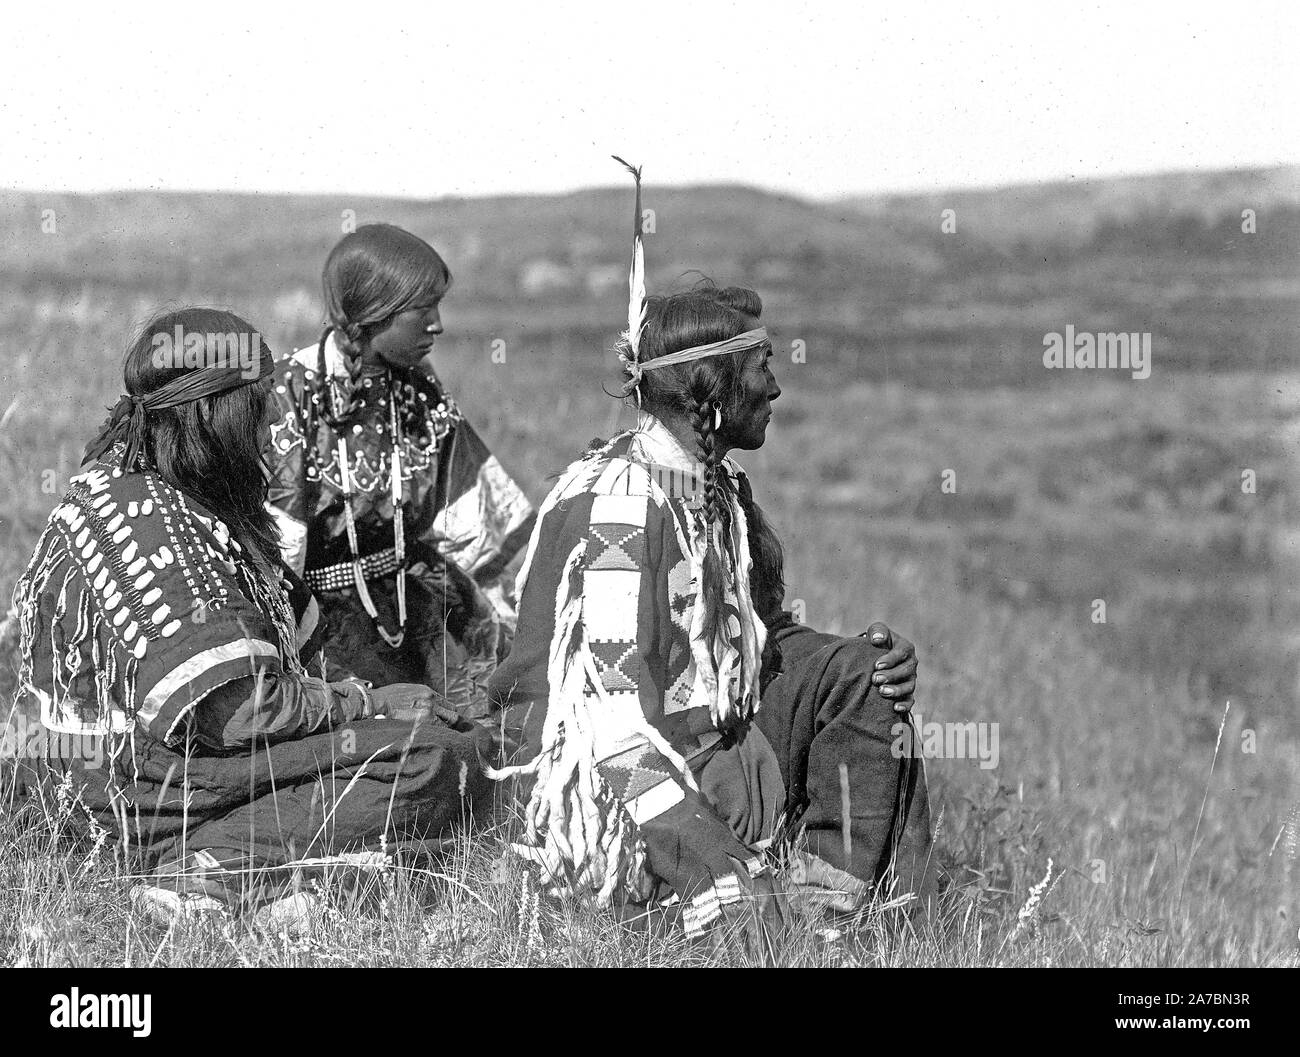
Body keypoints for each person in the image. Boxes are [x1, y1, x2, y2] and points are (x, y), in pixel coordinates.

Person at [488, 166, 932, 947]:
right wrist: (711, 862)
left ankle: (836, 912)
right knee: (737, 913)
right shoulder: (622, 506)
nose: (777, 389)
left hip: (715, 742)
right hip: (625, 786)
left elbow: (745, 639)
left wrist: (862, 662)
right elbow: (607, 725)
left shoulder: (714, 486)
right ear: (711, 386)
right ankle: (761, 909)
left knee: (865, 680)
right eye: (761, 368)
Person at [7, 308, 492, 924]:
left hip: (119, 775)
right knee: (428, 762)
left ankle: (266, 868)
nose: (272, 430)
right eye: (258, 406)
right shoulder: (155, 526)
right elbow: (240, 715)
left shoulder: (175, 496)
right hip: (133, 788)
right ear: (211, 412)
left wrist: (395, 690)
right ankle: (207, 869)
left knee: (442, 741)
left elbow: (308, 632)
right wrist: (369, 709)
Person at [264, 224, 534, 717]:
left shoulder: (417, 387)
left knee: (478, 731)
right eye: (422, 308)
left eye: (439, 305)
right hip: (323, 629)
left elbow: (470, 517)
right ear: (373, 312)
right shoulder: (289, 394)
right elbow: (279, 551)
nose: (437, 324)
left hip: (421, 611)